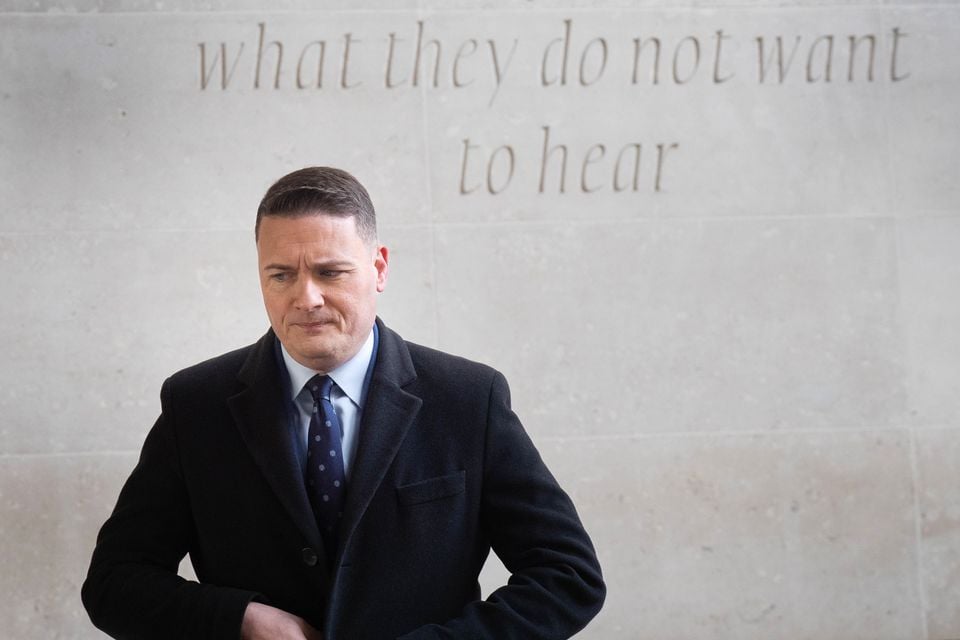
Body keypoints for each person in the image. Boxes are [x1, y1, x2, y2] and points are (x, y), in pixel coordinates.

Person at [82, 166, 605, 640]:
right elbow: (113, 583)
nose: (305, 298)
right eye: (281, 275)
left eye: (330, 272)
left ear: (379, 268)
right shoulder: (195, 404)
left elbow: (568, 576)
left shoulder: (469, 398)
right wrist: (237, 619)